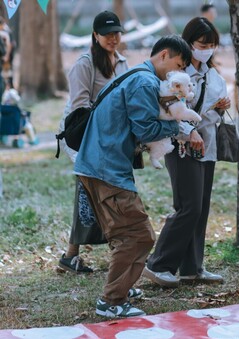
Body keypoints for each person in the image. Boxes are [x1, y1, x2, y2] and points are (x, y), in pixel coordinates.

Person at [74, 35, 192, 318]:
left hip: (97, 164)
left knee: (124, 235)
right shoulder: (145, 82)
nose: (179, 73)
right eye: (178, 65)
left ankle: (122, 288)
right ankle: (111, 300)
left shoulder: (136, 75)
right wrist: (178, 128)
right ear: (163, 55)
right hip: (106, 168)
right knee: (137, 235)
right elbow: (147, 131)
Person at [144, 17, 230, 287]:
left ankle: (192, 267)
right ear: (189, 43)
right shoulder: (176, 76)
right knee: (188, 206)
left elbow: (209, 116)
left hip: (207, 144)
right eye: (203, 44)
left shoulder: (212, 74)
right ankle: (159, 264)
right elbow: (169, 111)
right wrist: (187, 131)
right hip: (182, 144)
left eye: (212, 45)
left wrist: (217, 108)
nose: (207, 49)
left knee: (201, 207)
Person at [57, 11, 129, 274]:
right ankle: (105, 251)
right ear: (95, 36)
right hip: (81, 136)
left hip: (109, 138)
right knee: (91, 192)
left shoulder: (122, 63)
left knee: (104, 191)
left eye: (117, 33)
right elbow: (79, 109)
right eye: (107, 34)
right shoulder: (85, 64)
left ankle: (74, 255)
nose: (113, 38)